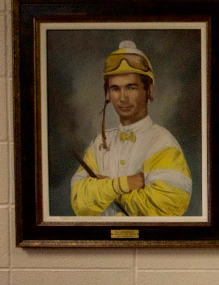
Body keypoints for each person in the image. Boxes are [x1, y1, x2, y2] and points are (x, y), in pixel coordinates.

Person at [70, 40, 192, 216]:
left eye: (131, 87)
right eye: (115, 89)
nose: (122, 98)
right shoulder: (99, 143)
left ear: (149, 90)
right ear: (108, 94)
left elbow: (166, 207)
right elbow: (79, 203)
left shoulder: (163, 143)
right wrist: (125, 184)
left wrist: (105, 191)